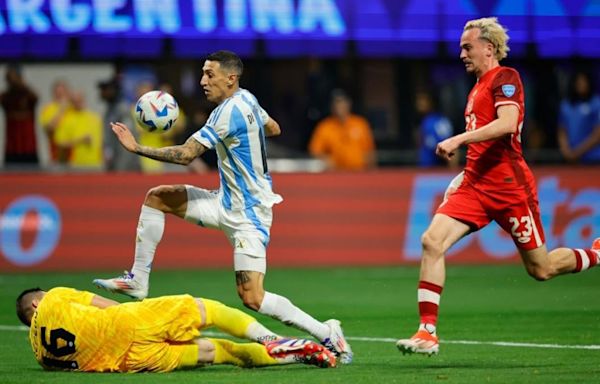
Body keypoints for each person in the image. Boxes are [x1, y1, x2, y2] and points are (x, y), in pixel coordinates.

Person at [92, 50, 353, 364]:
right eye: (203, 73)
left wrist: (137, 148)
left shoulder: (227, 113)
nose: (203, 81)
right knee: (157, 196)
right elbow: (274, 128)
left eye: (210, 74)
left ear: (231, 79)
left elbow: (188, 154)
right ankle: (138, 279)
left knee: (252, 298)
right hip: (222, 201)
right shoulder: (248, 100)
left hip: (249, 215)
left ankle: (326, 332)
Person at [396, 17, 600, 356]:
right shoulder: (475, 87)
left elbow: (506, 125)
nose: (461, 53)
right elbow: (483, 146)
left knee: (541, 269)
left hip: (510, 189)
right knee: (431, 241)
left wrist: (457, 139)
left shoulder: (506, 78)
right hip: (476, 186)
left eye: (467, 47)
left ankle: (595, 253)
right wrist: (462, 175)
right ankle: (427, 331)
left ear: (488, 48)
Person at [16, 286, 336, 372]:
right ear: (35, 305)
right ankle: (272, 339)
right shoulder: (53, 297)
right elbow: (99, 302)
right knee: (207, 309)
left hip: (134, 361)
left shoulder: (42, 357)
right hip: (129, 322)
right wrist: (141, 312)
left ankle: (298, 358)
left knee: (219, 352)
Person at [308, 89, 376, 171]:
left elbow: (370, 152)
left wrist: (372, 171)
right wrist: (325, 159)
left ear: (348, 104)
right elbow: (314, 151)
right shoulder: (325, 126)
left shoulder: (360, 123)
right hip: (335, 175)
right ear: (332, 106)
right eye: (336, 103)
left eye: (341, 102)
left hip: (359, 173)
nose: (339, 106)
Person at [53, 90, 103, 171]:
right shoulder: (66, 119)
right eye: (75, 101)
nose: (78, 102)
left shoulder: (95, 118)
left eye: (80, 100)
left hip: (96, 165)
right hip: (75, 166)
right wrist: (80, 140)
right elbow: (60, 143)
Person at [98, 76, 140, 172]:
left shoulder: (122, 110)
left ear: (114, 91)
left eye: (105, 89)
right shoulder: (109, 109)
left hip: (127, 169)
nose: (102, 92)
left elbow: (127, 140)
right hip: (113, 165)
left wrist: (120, 170)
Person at [557, 71, 600, 164]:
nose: (581, 84)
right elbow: (562, 131)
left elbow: (597, 134)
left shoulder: (596, 103)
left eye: (584, 81)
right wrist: (566, 152)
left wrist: (577, 153)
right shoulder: (566, 105)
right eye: (578, 81)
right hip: (571, 161)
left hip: (594, 160)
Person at [0, 65, 39, 165]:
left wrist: (22, 84)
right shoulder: (6, 97)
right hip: (12, 145)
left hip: (28, 145)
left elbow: (36, 97)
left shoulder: (28, 94)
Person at [414, 89, 457, 168]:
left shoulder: (439, 122)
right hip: (423, 169)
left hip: (437, 171)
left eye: (423, 100)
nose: (419, 103)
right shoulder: (423, 121)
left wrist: (452, 171)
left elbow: (452, 148)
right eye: (418, 100)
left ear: (431, 102)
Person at [39, 79, 72, 165]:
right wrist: (62, 109)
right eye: (58, 93)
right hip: (56, 154)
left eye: (63, 92)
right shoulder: (48, 109)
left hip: (75, 156)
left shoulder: (73, 108)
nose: (61, 95)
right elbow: (49, 129)